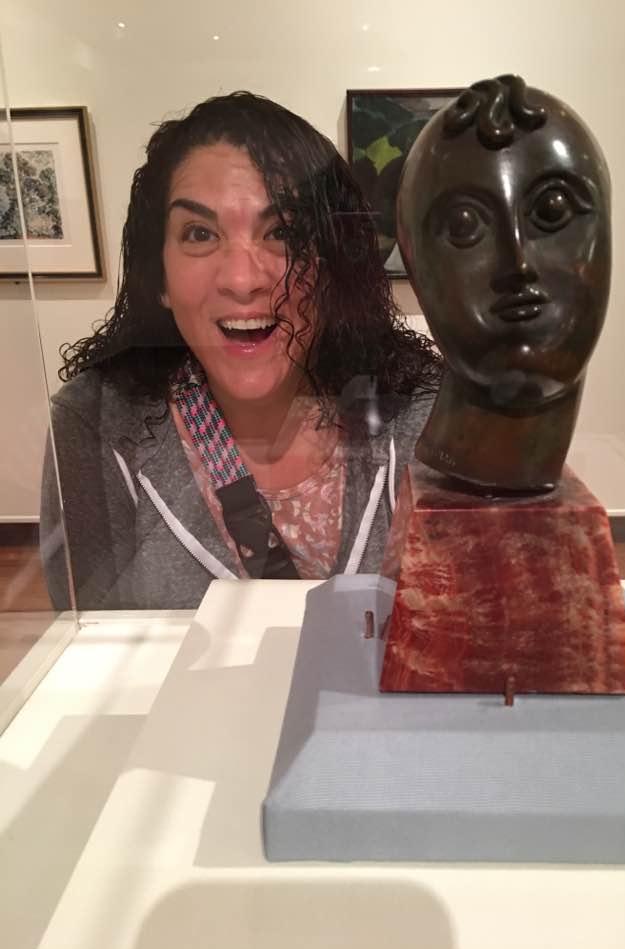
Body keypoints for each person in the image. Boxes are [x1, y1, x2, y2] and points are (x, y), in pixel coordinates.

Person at [40, 92, 440, 610]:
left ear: (333, 266)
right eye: (199, 234)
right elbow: (87, 642)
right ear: (157, 276)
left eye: (283, 233)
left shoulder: (419, 410)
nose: (242, 279)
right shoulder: (98, 424)